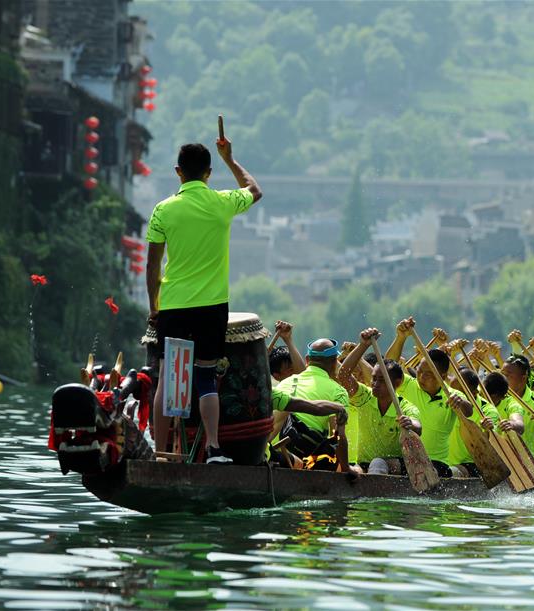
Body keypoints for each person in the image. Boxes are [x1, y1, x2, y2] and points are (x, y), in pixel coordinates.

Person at [146, 121, 262, 464]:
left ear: (178, 172)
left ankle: (161, 453)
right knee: (206, 374)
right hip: (212, 306)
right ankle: (213, 448)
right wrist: (231, 158)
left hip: (175, 306)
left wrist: (154, 305)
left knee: (171, 378)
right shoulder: (222, 203)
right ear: (208, 173)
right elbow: (254, 189)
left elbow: (152, 267)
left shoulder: (163, 210)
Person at [385, 318, 473, 477]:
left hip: (437, 463)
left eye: (428, 374)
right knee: (381, 463)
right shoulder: (409, 385)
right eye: (419, 370)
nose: (421, 377)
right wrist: (401, 337)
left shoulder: (452, 395)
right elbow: (389, 365)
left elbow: (469, 411)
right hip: (407, 459)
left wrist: (462, 403)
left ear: (443, 376)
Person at [337, 328, 423, 475]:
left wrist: (410, 423)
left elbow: (418, 426)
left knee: (378, 463)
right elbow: (343, 375)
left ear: (397, 383)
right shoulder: (365, 398)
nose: (375, 384)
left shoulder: (404, 407)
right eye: (374, 378)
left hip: (397, 466)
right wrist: (363, 345)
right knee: (348, 471)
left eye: (382, 380)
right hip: (364, 464)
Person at [273, 338, 352, 468]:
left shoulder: (286, 382)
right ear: (334, 363)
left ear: (307, 360)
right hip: (311, 461)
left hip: (277, 454)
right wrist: (347, 468)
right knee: (357, 470)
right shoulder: (339, 391)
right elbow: (337, 436)